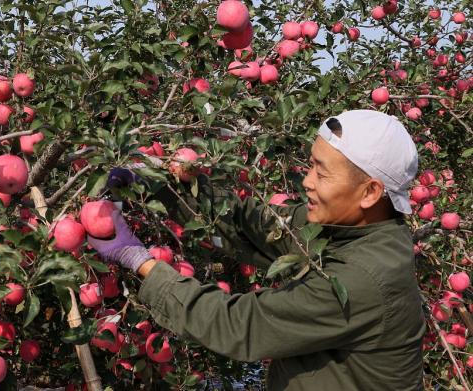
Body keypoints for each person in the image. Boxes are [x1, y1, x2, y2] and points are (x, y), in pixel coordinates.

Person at [88, 110, 425, 390]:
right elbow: (252, 222)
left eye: (321, 173)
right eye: (310, 165)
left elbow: (239, 324)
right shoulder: (345, 228)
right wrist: (160, 186)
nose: (307, 181)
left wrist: (139, 261)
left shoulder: (362, 280)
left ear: (370, 192)